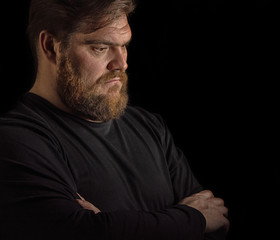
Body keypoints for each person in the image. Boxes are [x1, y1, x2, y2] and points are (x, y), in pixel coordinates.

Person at [0, 0, 229, 239]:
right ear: (50, 46)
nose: (122, 63)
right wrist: (189, 219)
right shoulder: (16, 140)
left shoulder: (150, 127)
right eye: (100, 48)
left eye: (124, 46)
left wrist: (111, 226)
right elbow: (78, 233)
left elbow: (215, 224)